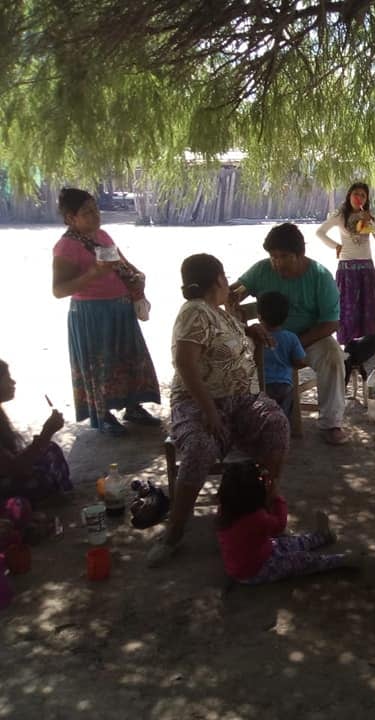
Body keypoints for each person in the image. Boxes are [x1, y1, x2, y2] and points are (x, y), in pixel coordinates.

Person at [149, 254, 291, 567]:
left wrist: (249, 331)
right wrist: (210, 411)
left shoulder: (219, 313)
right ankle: (174, 531)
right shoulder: (195, 312)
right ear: (217, 281)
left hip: (242, 400)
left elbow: (228, 342)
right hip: (199, 401)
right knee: (200, 446)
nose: (228, 283)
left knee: (276, 424)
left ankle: (263, 510)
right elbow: (186, 364)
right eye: (225, 277)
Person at [51, 188, 161, 435]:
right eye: (87, 212)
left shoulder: (103, 235)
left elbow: (122, 263)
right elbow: (58, 290)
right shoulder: (65, 247)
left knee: (128, 358)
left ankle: (133, 407)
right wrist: (93, 274)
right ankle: (103, 414)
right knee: (102, 365)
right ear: (71, 218)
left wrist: (137, 275)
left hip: (120, 309)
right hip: (92, 314)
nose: (95, 216)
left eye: (96, 210)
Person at [233, 223, 349, 445]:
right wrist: (234, 303)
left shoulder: (320, 276)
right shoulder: (261, 269)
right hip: (266, 339)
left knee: (333, 357)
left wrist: (292, 344)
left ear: (300, 254)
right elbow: (234, 292)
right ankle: (242, 417)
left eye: (284, 256)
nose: (277, 263)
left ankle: (331, 423)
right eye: (273, 256)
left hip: (309, 338)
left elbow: (330, 324)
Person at [217, 462, 348, 584]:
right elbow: (280, 524)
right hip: (254, 570)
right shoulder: (256, 518)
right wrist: (276, 498)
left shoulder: (226, 510)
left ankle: (322, 537)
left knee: (291, 543)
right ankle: (342, 560)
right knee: (301, 560)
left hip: (257, 552)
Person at [315, 182, 375, 344]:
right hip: (347, 268)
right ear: (349, 196)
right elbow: (320, 233)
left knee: (369, 307)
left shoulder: (367, 215)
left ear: (367, 198)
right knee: (348, 307)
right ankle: (349, 342)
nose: (359, 198)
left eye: (363, 195)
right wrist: (336, 246)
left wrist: (371, 222)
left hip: (367, 267)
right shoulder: (340, 216)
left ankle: (370, 341)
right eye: (356, 194)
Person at [0, 360, 72, 506]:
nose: (13, 382)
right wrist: (47, 432)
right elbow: (14, 469)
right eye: (7, 378)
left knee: (50, 449)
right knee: (40, 479)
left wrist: (45, 437)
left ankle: (60, 492)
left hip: (10, 471)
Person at [257, 292, 308, 418]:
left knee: (263, 416)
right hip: (284, 385)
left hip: (261, 385)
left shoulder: (255, 338)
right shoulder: (291, 338)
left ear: (259, 316)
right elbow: (300, 361)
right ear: (286, 317)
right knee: (283, 417)